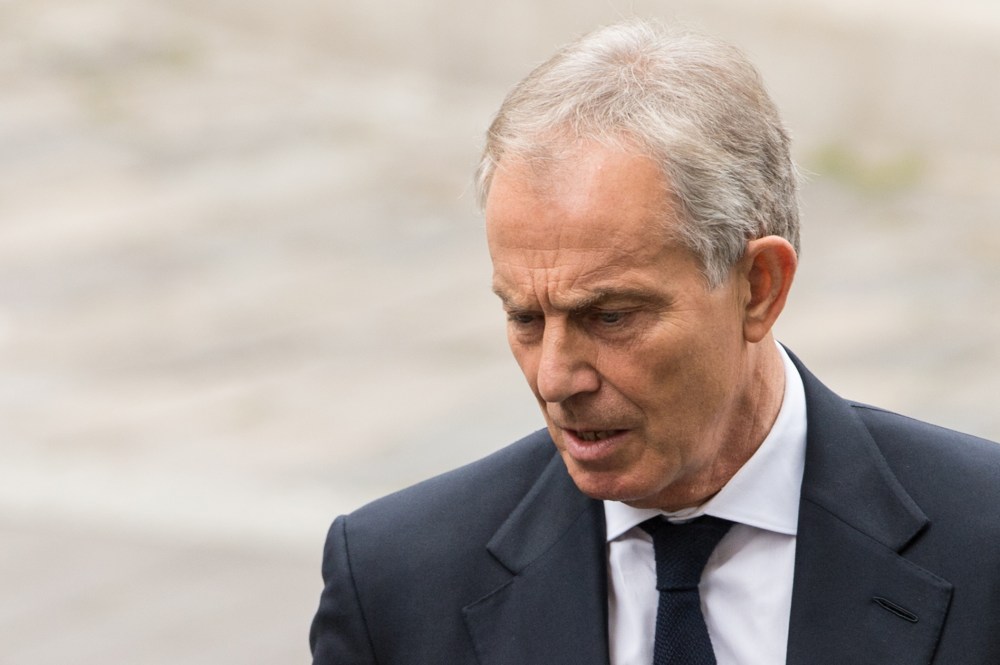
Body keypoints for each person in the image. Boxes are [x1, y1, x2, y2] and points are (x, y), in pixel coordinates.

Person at [309, 19, 1000, 665]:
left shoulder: (984, 545)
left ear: (758, 287)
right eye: (525, 318)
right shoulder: (395, 586)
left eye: (609, 316)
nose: (555, 378)